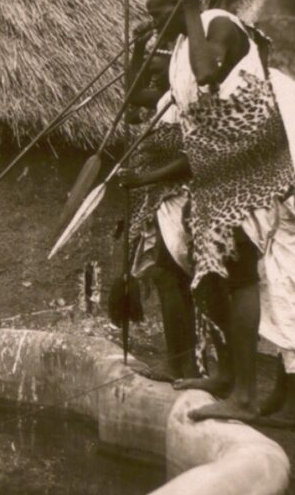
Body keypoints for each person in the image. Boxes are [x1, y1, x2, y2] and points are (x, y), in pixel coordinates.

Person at [135, 0, 295, 422]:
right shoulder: (179, 47)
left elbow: (210, 71)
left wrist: (192, 6)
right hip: (220, 162)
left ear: (183, 3)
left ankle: (246, 396)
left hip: (253, 160)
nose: (153, 25)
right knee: (209, 267)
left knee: (236, 272)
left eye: (157, 14)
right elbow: (183, 103)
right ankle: (227, 376)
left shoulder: (218, 26)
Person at [114, 26, 199, 381]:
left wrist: (144, 180)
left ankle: (184, 363)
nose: (153, 70)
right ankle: (179, 361)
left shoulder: (188, 104)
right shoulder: (165, 101)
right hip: (158, 202)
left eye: (162, 63)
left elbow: (191, 157)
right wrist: (136, 49)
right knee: (168, 280)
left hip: (180, 201)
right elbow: (132, 94)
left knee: (174, 279)